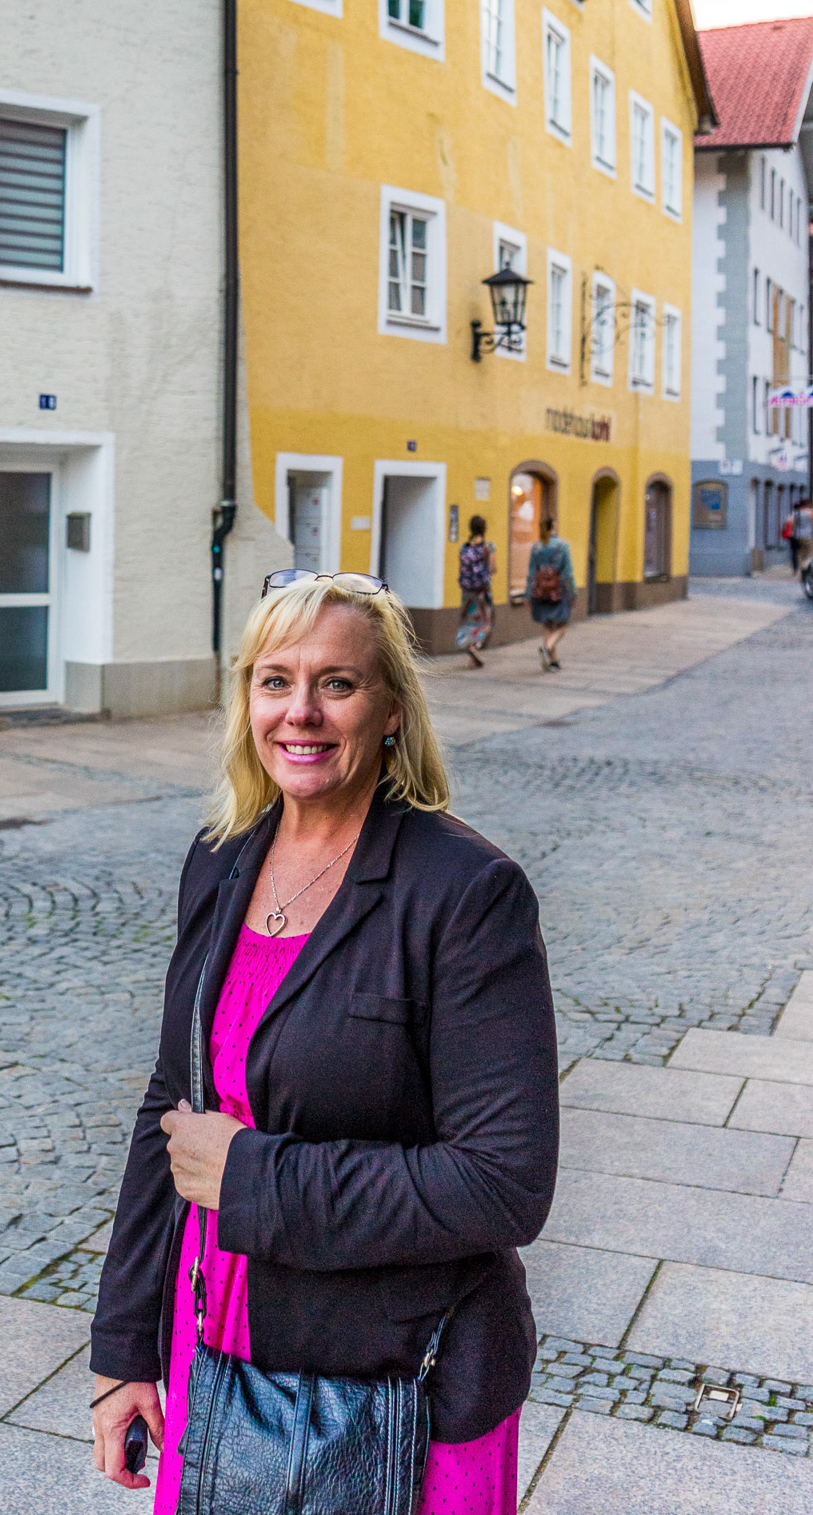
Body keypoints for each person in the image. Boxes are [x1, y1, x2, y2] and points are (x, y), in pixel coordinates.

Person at [89, 573, 558, 1515]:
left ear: (390, 709)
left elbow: (503, 1184)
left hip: (398, 1376)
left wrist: (255, 1177)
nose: (299, 712)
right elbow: (169, 1103)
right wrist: (124, 1346)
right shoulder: (222, 856)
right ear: (245, 700)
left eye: (336, 684)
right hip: (214, 1337)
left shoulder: (464, 892)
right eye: (274, 681)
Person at [527, 514, 575, 671]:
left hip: (541, 592)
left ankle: (553, 661)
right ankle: (547, 648)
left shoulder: (536, 547)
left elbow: (531, 573)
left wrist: (528, 594)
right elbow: (568, 573)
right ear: (553, 526)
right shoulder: (562, 546)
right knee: (562, 626)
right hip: (558, 591)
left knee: (548, 624)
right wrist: (572, 592)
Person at [455, 514, 496, 667]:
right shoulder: (488, 547)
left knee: (468, 621)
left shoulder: (464, 548)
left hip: (467, 591)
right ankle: (474, 646)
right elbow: (492, 568)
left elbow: (461, 568)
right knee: (486, 622)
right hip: (483, 591)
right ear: (484, 529)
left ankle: (472, 656)